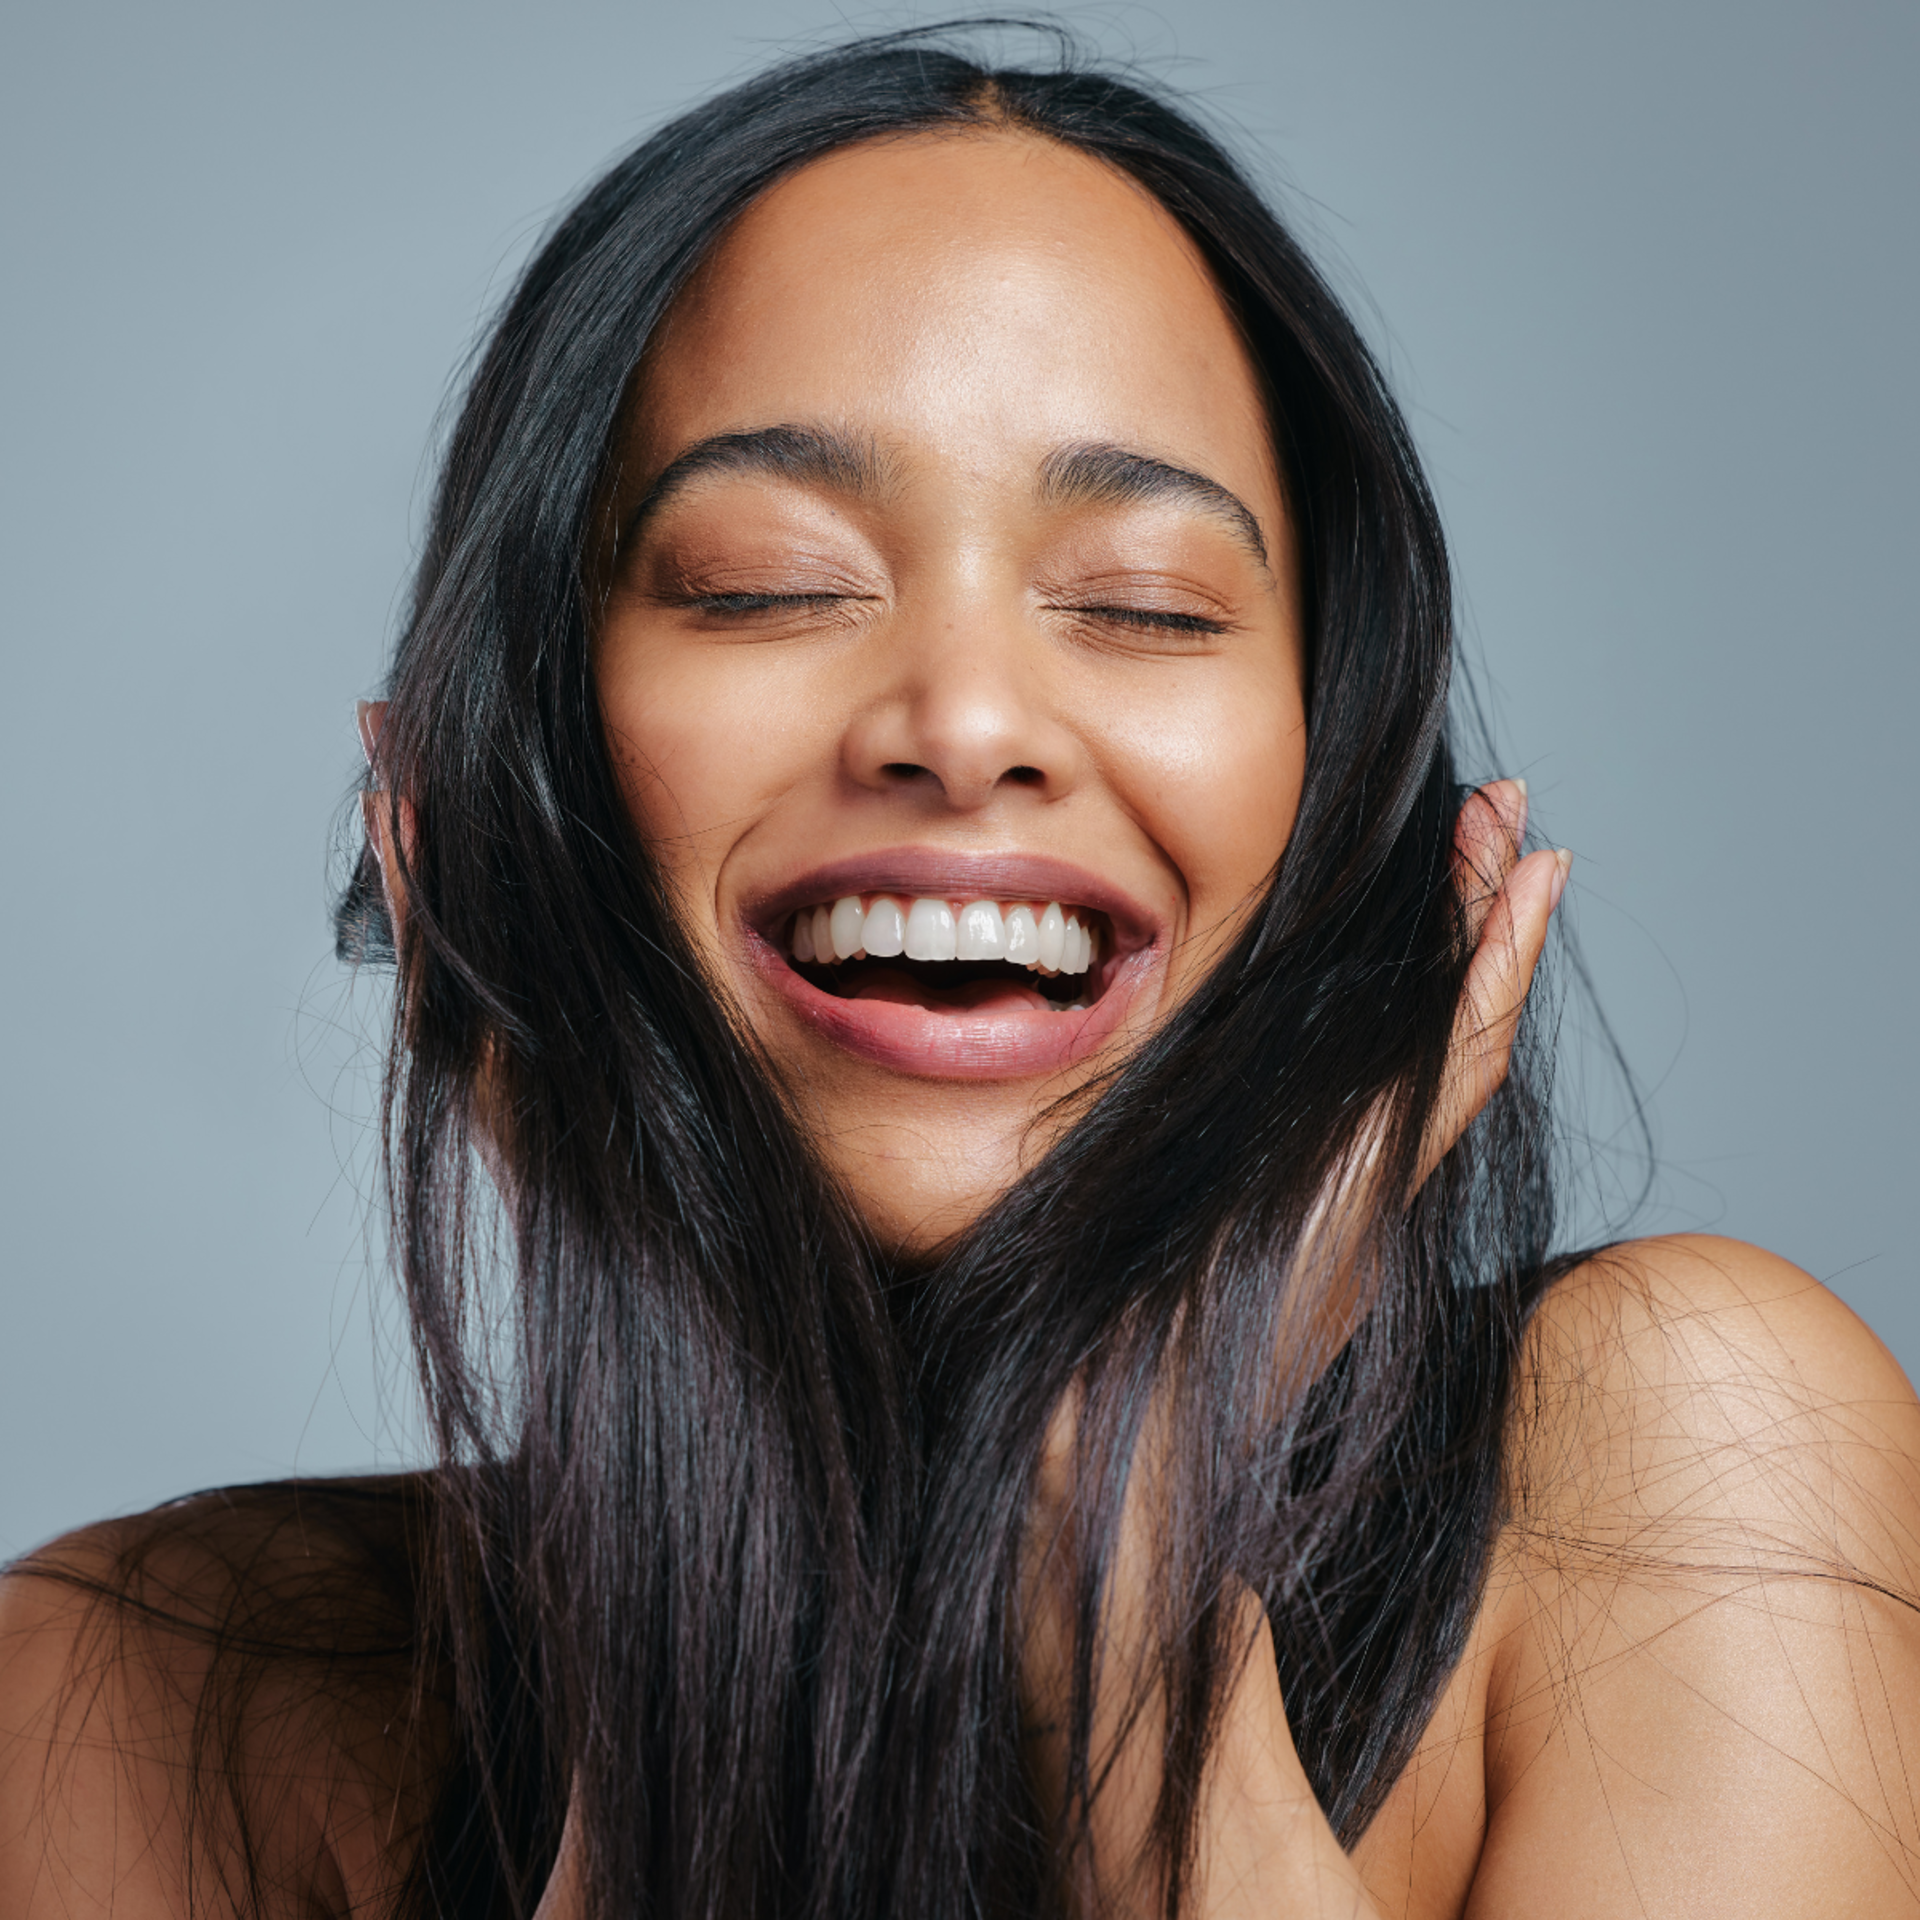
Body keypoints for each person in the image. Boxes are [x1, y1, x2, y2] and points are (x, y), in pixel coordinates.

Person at [4, 26, 1917, 1920]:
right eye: (765, 580)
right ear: (523, 771)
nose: (970, 719)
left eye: (1146, 605)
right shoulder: (137, 1694)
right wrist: (705, 1450)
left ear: (1333, 793)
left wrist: (1122, 1599)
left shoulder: (1690, 1457)